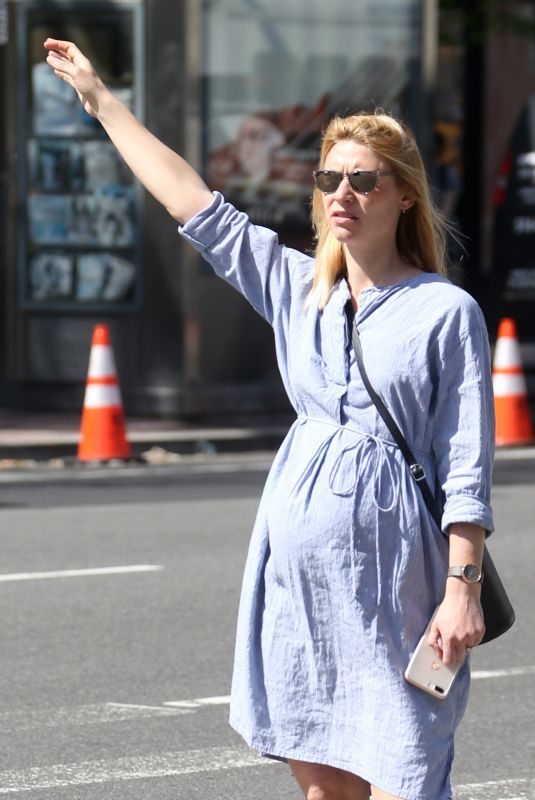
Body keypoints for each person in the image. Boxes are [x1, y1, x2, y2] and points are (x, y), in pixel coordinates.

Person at [44, 39, 494, 800]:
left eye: (362, 179)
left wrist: (462, 587)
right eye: (329, 179)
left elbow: (465, 467)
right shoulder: (296, 289)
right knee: (322, 787)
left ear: (403, 194)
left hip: (398, 589)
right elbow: (191, 202)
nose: (342, 193)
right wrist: (101, 102)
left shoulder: (446, 312)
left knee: (405, 776)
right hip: (301, 586)